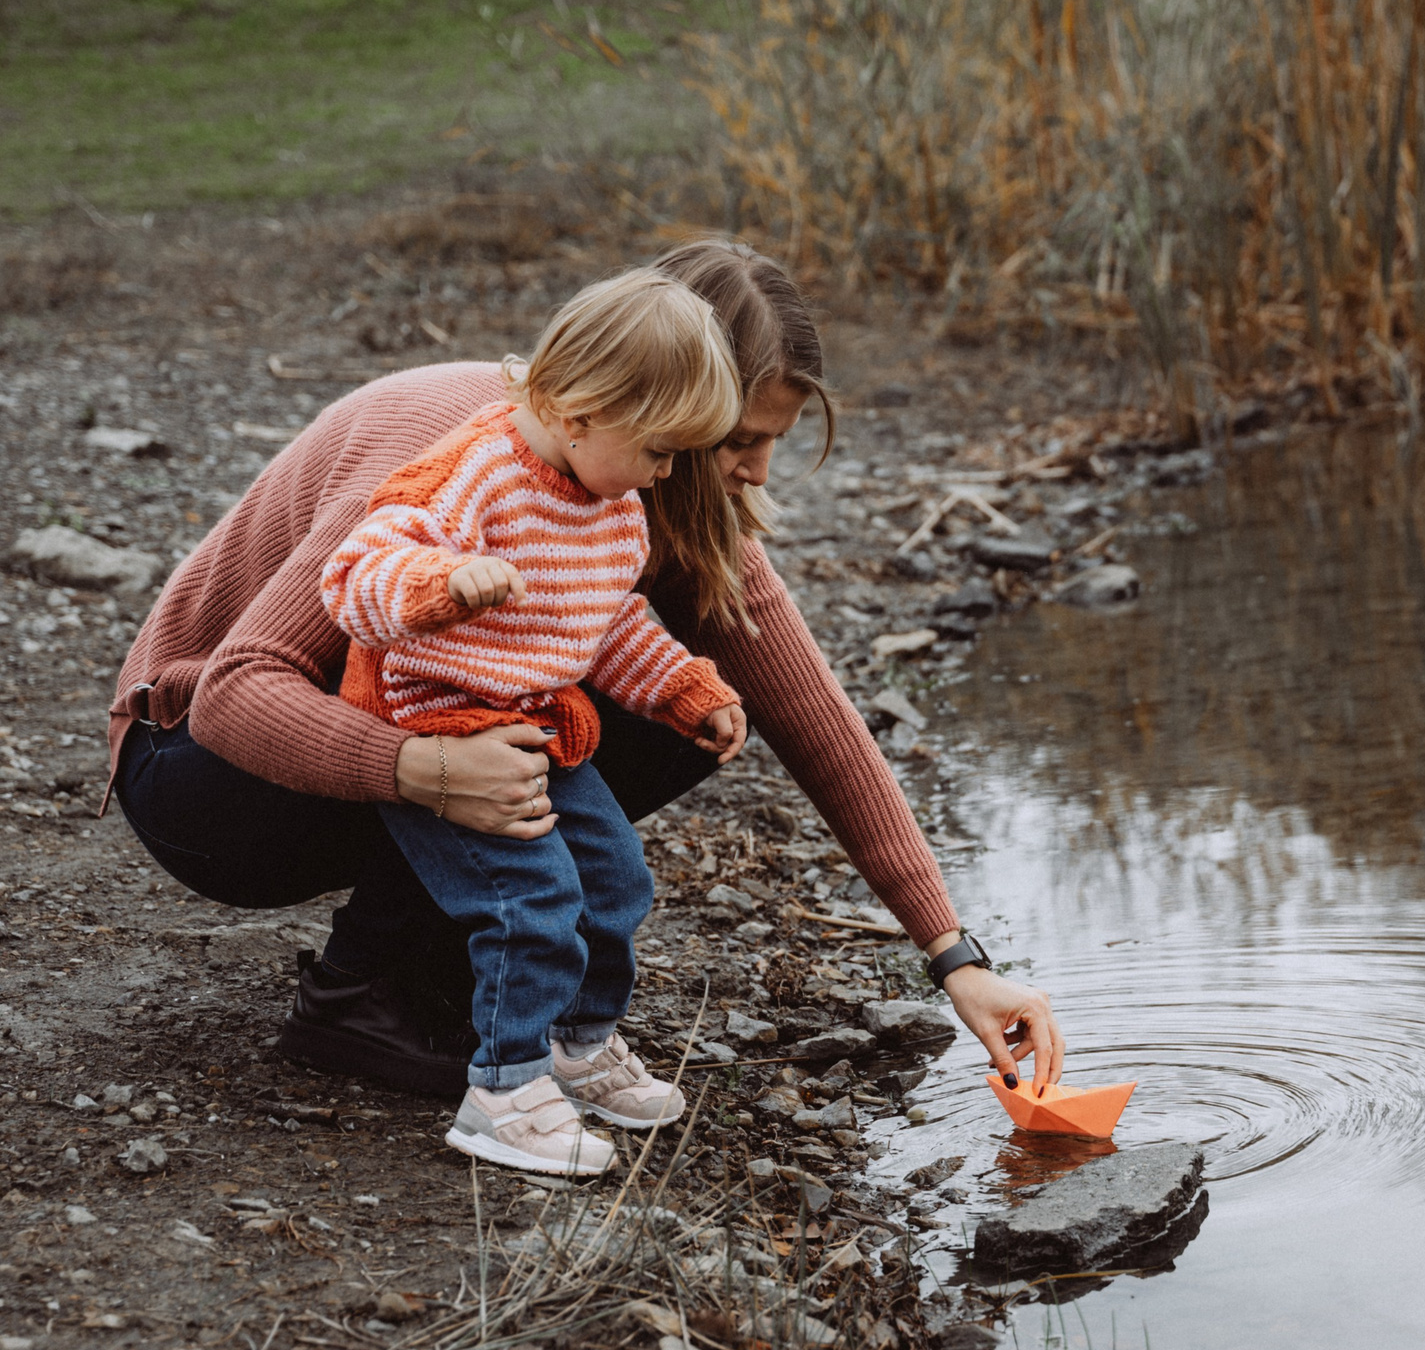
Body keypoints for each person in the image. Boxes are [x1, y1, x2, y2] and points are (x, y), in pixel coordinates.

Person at [105, 238, 1062, 1096]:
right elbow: (236, 692)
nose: (762, 471)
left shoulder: (629, 487)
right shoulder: (458, 455)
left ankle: (451, 964)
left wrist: (954, 958)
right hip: (201, 783)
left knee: (689, 699)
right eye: (740, 440)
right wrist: (429, 771)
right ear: (655, 396)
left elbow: (817, 723)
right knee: (560, 686)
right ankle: (360, 994)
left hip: (358, 745)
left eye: (774, 439)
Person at [321, 269, 747, 1173]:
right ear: (582, 413)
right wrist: (444, 583)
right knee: (532, 899)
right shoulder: (475, 472)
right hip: (437, 722)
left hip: (539, 725)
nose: (669, 472)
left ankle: (577, 1044)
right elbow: (355, 580)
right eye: (661, 449)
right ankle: (504, 1090)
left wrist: (683, 687)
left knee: (617, 876)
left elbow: (606, 622)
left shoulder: (615, 509)